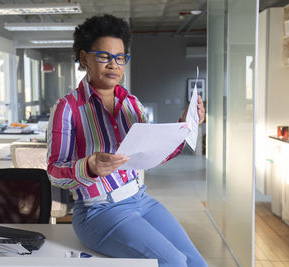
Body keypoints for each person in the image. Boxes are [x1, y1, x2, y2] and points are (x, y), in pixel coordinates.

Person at [47, 14, 207, 267]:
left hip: (140, 199)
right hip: (98, 211)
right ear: (84, 58)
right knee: (174, 262)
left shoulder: (132, 104)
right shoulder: (67, 108)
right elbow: (54, 172)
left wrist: (184, 127)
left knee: (196, 262)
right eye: (104, 56)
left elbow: (152, 155)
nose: (114, 65)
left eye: (120, 58)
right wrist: (88, 166)